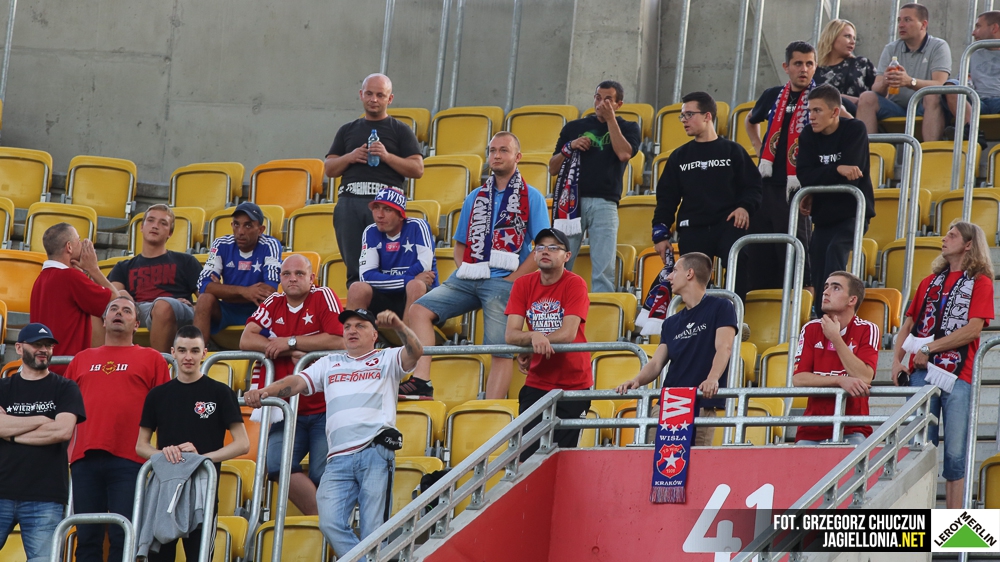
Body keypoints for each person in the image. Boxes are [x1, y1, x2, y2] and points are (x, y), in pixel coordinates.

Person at [244, 308, 422, 558]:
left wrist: (400, 327)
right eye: (347, 326)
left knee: (374, 530)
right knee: (328, 522)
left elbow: (416, 352)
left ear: (374, 334)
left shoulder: (387, 357)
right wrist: (265, 392)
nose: (351, 330)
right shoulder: (329, 362)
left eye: (360, 326)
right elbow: (296, 382)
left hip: (375, 450)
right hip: (337, 458)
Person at [406, 132, 550, 399]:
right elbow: (460, 246)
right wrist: (467, 270)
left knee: (500, 348)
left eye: (504, 150)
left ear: (517, 157)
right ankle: (422, 381)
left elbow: (542, 247)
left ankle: (492, 410)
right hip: (469, 277)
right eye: (492, 150)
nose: (496, 155)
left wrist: (512, 280)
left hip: (504, 281)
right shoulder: (475, 196)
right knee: (418, 310)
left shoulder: (532, 196)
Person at [892, 221, 994, 508]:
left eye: (953, 235)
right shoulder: (929, 282)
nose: (944, 238)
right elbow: (908, 324)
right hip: (920, 374)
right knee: (918, 448)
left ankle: (954, 525)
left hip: (959, 375)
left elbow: (973, 330)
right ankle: (918, 515)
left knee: (955, 454)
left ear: (969, 245)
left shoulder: (981, 283)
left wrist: (929, 348)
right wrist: (896, 362)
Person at [64, 296, 171, 562]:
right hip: (84, 459)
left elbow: (166, 412)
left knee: (124, 537)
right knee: (87, 538)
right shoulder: (81, 359)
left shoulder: (152, 358)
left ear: (137, 324)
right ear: (103, 320)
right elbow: (64, 411)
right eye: (113, 309)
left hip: (131, 460)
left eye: (126, 310)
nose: (118, 313)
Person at [240, 254, 345, 515]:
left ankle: (327, 527)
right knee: (275, 463)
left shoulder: (323, 296)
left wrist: (290, 341)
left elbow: (339, 340)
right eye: (286, 274)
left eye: (299, 273)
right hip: (287, 409)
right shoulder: (274, 302)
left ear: (312, 278)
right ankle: (324, 521)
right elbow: (246, 339)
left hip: (325, 408)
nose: (292, 279)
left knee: (322, 473)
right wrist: (288, 349)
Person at [136, 325, 249, 562]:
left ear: (204, 353)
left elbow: (242, 444)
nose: (188, 357)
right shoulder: (157, 395)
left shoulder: (220, 392)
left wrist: (201, 458)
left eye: (195, 351)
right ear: (172, 352)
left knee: (199, 557)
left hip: (203, 488)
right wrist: (161, 454)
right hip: (165, 487)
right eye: (182, 350)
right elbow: (141, 446)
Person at [615, 253, 737, 446]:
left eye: (674, 271)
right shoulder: (671, 322)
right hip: (669, 403)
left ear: (689, 273)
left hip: (700, 401)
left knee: (695, 462)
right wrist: (637, 380)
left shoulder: (721, 307)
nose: (669, 276)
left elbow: (724, 347)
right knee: (657, 461)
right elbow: (656, 363)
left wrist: (712, 378)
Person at [653, 91, 762, 299]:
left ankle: (734, 312)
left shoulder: (733, 151)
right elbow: (666, 198)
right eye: (682, 115)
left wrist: (744, 207)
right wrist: (660, 232)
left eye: (689, 114)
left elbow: (754, 186)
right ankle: (699, 316)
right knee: (691, 278)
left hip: (728, 223)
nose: (684, 120)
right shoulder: (679, 157)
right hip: (693, 227)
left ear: (707, 116)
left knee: (740, 260)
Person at [325, 73, 424, 287]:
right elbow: (329, 168)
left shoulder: (400, 129)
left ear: (390, 99)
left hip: (386, 204)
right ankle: (358, 306)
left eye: (380, 95)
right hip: (349, 203)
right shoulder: (347, 129)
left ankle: (385, 307)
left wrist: (387, 156)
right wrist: (350, 157)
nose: (374, 99)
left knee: (386, 266)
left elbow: (418, 169)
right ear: (361, 94)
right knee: (355, 269)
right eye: (369, 94)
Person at [504, 228, 592, 460]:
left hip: (573, 384)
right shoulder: (523, 284)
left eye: (553, 248)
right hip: (537, 382)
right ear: (534, 254)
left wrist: (536, 339)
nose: (545, 251)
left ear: (567, 256)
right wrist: (533, 337)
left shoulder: (575, 283)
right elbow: (511, 335)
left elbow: (568, 333)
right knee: (526, 458)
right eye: (540, 247)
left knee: (561, 459)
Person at [0, 324, 85, 562]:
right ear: (19, 348)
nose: (44, 350)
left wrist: (10, 432)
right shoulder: (3, 387)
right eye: (37, 345)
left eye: (48, 345)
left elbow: (62, 430)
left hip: (45, 496)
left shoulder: (65, 387)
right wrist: (40, 419)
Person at [547, 80, 641, 293]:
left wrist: (610, 120)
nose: (601, 103)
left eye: (608, 99)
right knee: (560, 261)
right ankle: (557, 301)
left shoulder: (628, 127)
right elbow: (552, 168)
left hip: (605, 202)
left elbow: (624, 153)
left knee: (604, 267)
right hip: (571, 204)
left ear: (618, 104)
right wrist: (569, 147)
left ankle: (602, 306)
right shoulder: (574, 127)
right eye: (598, 98)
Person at [797, 84, 876, 317]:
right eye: (809, 111)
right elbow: (804, 175)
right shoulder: (808, 135)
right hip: (823, 217)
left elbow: (853, 172)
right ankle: (823, 317)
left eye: (817, 111)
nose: (811, 116)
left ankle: (839, 311)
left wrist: (824, 176)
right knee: (818, 264)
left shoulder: (855, 129)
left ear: (834, 112)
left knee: (835, 251)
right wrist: (837, 169)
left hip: (852, 214)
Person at [745, 41, 816, 292]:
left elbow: (845, 122)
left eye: (809, 64)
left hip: (796, 187)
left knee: (796, 254)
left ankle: (803, 307)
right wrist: (758, 147)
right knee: (762, 255)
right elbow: (750, 120)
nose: (804, 69)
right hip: (766, 185)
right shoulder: (773, 95)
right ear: (786, 67)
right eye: (798, 63)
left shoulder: (820, 97)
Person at [793, 272, 879, 445]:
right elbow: (799, 379)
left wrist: (835, 338)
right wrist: (840, 380)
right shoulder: (810, 328)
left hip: (853, 429)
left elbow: (864, 377)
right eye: (826, 287)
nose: (826, 292)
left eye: (836, 288)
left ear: (852, 300)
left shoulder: (868, 329)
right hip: (810, 431)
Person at [109, 204, 202, 352]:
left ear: (170, 233)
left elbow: (205, 299)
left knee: (163, 305)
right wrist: (124, 296)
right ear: (142, 227)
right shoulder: (123, 266)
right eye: (151, 220)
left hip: (175, 308)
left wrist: (193, 307)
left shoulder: (186, 261)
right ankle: (102, 362)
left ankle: (160, 363)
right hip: (138, 309)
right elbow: (112, 296)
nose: (155, 226)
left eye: (163, 223)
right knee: (97, 309)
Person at [30, 222, 119, 373]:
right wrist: (94, 269)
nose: (82, 244)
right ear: (69, 247)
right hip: (67, 369)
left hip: (45, 367)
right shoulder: (71, 277)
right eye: (79, 240)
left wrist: (82, 275)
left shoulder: (40, 279)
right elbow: (116, 301)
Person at [856, 3, 951, 141]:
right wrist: (885, 82)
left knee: (932, 94)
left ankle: (930, 150)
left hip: (923, 107)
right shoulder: (891, 48)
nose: (901, 25)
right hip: (896, 107)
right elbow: (876, 87)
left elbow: (940, 84)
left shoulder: (938, 46)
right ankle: (867, 150)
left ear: (923, 25)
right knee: (866, 97)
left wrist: (910, 82)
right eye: (899, 20)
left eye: (907, 20)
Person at [194, 202, 283, 342]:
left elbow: (269, 290)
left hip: (258, 310)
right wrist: (245, 292)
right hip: (228, 310)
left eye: (248, 226)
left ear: (260, 230)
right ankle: (197, 352)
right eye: (236, 224)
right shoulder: (220, 244)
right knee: (204, 299)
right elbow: (203, 285)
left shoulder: (270, 245)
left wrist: (222, 290)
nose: (240, 231)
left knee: (271, 301)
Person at [347, 186, 438, 322]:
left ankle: (407, 336)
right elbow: (367, 276)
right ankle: (354, 334)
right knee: (357, 288)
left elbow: (424, 265)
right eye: (376, 208)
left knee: (416, 286)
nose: (379, 215)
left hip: (424, 300)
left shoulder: (418, 226)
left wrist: (409, 282)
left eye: (387, 209)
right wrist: (408, 279)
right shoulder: (370, 231)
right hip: (387, 298)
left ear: (401, 215)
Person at [945, 11, 1000, 135]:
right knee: (951, 85)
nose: (973, 33)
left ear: (994, 28)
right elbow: (961, 81)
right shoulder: (972, 53)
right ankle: (970, 132)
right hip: (977, 101)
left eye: (978, 26)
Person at [814, 19, 876, 116]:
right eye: (847, 36)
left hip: (858, 116)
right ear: (832, 37)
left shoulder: (861, 64)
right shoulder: (815, 70)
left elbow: (879, 98)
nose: (852, 42)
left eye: (854, 38)